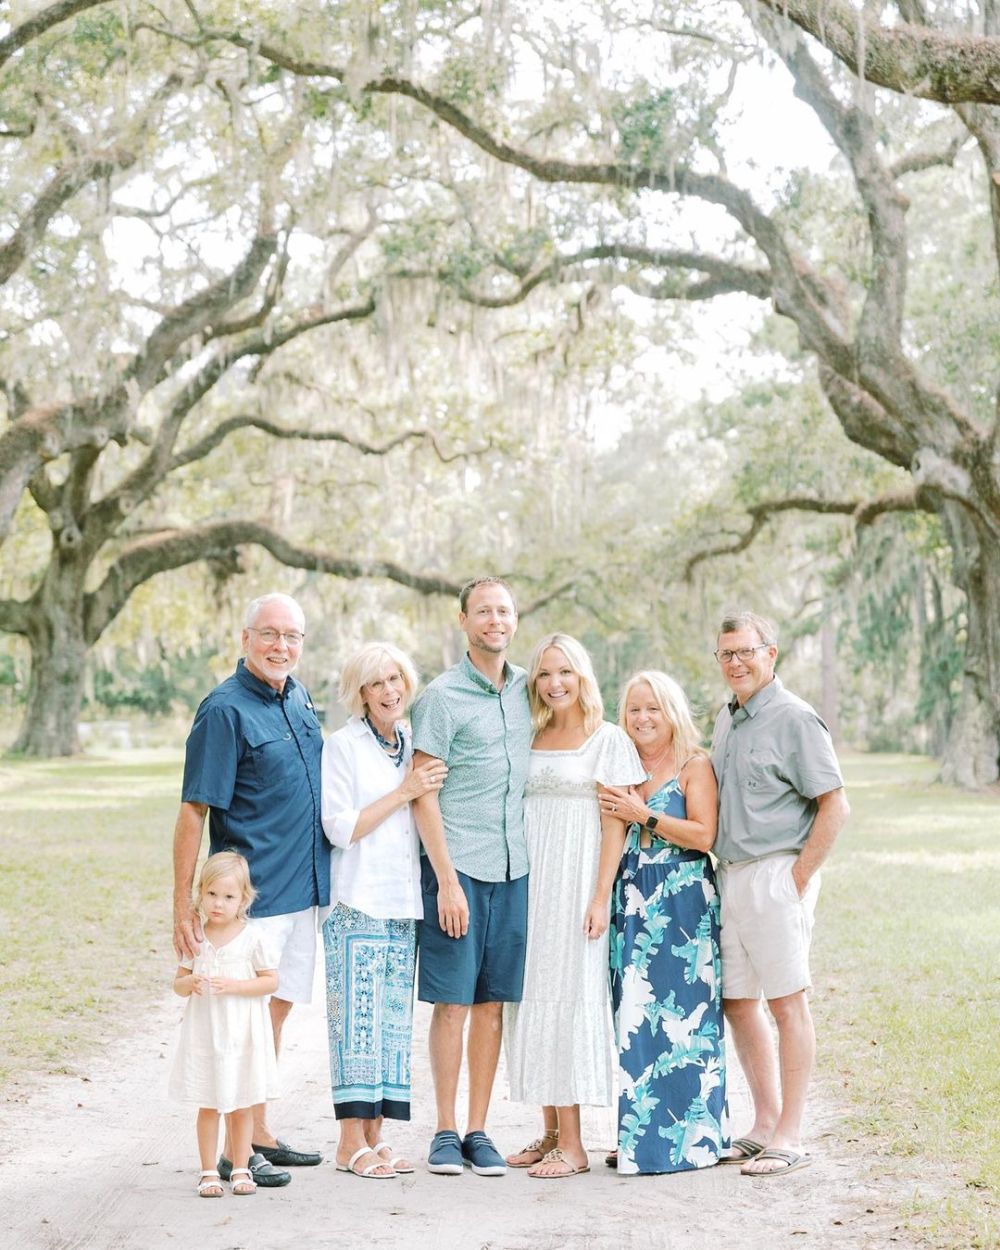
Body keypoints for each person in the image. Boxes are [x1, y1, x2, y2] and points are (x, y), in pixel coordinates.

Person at [172, 591, 328, 1187]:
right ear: (245, 638)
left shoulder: (300, 698)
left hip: (302, 889)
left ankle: (257, 1132)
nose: (281, 646)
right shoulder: (224, 710)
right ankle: (234, 1155)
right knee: (240, 1020)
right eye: (269, 634)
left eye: (292, 636)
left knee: (276, 1011)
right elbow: (193, 813)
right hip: (251, 898)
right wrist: (183, 903)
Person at [710, 610, 849, 1178]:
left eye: (746, 651)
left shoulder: (794, 719)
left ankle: (791, 1133)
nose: (736, 662)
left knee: (786, 1003)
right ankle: (764, 1123)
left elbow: (834, 806)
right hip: (729, 873)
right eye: (726, 654)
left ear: (772, 653)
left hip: (776, 872)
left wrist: (795, 880)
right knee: (738, 1003)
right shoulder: (727, 719)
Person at [503, 634, 644, 1179]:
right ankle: (551, 1131)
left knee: (568, 1000)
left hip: (578, 884)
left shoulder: (606, 741)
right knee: (533, 998)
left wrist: (600, 895)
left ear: (583, 675)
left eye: (564, 672)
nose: (554, 683)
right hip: (529, 885)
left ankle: (577, 1146)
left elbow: (616, 825)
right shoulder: (530, 736)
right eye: (543, 674)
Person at [409, 576, 533, 1177]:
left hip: (516, 871)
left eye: (503, 610)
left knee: (492, 1006)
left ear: (515, 620)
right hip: (459, 872)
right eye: (483, 611)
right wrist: (447, 881)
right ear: (463, 621)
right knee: (453, 1005)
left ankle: (479, 1129)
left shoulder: (532, 691)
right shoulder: (440, 697)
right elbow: (423, 796)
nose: (494, 619)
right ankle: (444, 1128)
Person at [320, 642, 448, 1179]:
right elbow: (340, 828)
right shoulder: (343, 746)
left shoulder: (413, 741)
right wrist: (405, 792)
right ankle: (349, 1142)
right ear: (361, 693)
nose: (390, 690)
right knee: (357, 1022)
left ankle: (377, 1136)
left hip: (402, 903)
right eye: (377, 683)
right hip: (357, 901)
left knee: (392, 1025)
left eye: (395, 678)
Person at [599, 670, 727, 1175]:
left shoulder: (694, 766)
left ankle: (695, 1142)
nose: (642, 718)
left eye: (652, 708)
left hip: (684, 905)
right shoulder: (618, 764)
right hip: (629, 900)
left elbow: (704, 835)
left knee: (689, 1021)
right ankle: (640, 1142)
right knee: (634, 1015)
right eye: (633, 709)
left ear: (671, 711)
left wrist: (643, 814)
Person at [169, 852, 279, 1197]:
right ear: (201, 893)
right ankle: (207, 1171)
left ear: (243, 899)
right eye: (212, 894)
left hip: (241, 1033)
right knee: (209, 1102)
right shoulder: (196, 938)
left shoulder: (253, 937)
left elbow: (271, 981)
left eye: (228, 897)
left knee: (241, 1102)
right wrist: (191, 984)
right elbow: (178, 982)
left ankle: (241, 1167)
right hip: (207, 1033)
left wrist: (235, 987)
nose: (218, 903)